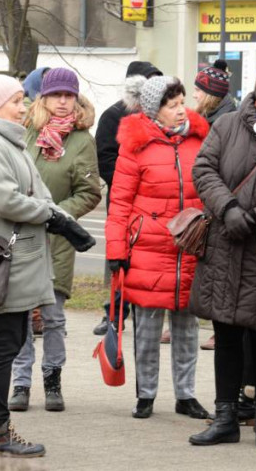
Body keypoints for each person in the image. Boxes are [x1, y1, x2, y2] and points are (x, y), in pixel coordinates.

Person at [0, 74, 90, 458]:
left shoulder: (8, 140)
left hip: (15, 261)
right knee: (5, 345)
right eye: (16, 101)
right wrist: (50, 216)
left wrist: (58, 215)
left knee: (10, 340)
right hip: (1, 262)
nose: (23, 107)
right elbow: (5, 199)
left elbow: (37, 190)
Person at [188, 61, 256, 448]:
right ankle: (225, 418)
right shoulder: (227, 124)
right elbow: (204, 169)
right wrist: (229, 209)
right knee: (226, 333)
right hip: (224, 243)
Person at [105, 75, 209, 421]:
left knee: (187, 326)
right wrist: (116, 250)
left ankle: (186, 394)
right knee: (147, 328)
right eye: (172, 105)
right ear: (154, 110)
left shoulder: (199, 140)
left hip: (189, 246)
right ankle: (145, 394)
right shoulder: (135, 145)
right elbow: (120, 202)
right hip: (148, 249)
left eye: (182, 103)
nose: (181, 110)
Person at [10, 68, 101, 413]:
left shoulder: (81, 140)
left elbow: (89, 192)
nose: (63, 102)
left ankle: (52, 381)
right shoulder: (24, 131)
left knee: (53, 317)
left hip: (57, 238)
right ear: (43, 98)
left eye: (69, 96)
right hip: (20, 236)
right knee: (19, 315)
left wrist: (56, 214)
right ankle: (20, 383)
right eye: (56, 95)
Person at [93, 60, 161, 336]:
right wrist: (130, 181)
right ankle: (114, 314)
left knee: (148, 263)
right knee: (121, 260)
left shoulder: (161, 115)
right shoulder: (113, 115)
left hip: (155, 204)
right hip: (125, 201)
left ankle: (146, 313)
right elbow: (104, 158)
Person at [190, 58, 238, 352]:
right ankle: (196, 322)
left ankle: (220, 328)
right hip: (204, 201)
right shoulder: (205, 118)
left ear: (209, 93)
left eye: (198, 89)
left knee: (223, 271)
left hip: (220, 203)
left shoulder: (224, 120)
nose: (193, 94)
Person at [193, 59, 237, 126]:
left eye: (198, 90)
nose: (193, 95)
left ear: (211, 95)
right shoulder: (204, 114)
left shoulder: (227, 124)